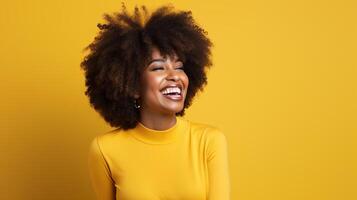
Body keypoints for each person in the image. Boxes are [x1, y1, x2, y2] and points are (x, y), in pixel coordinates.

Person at [81, 3, 230, 200]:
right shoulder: (104, 149)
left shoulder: (209, 141)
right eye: (158, 68)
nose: (175, 76)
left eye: (179, 67)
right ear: (132, 85)